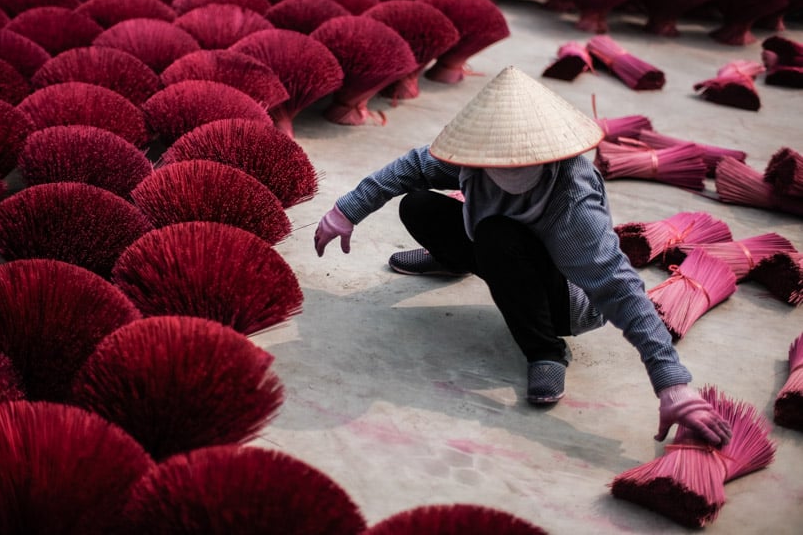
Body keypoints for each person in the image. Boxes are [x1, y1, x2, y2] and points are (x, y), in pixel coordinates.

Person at [313, 66, 731, 447]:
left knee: (497, 236)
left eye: (525, 160)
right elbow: (410, 167)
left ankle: (545, 350)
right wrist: (346, 211)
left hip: (565, 299)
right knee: (418, 204)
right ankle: (455, 260)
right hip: (506, 254)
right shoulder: (472, 160)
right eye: (500, 162)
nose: (512, 170)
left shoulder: (573, 205)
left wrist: (672, 384)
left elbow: (620, 289)